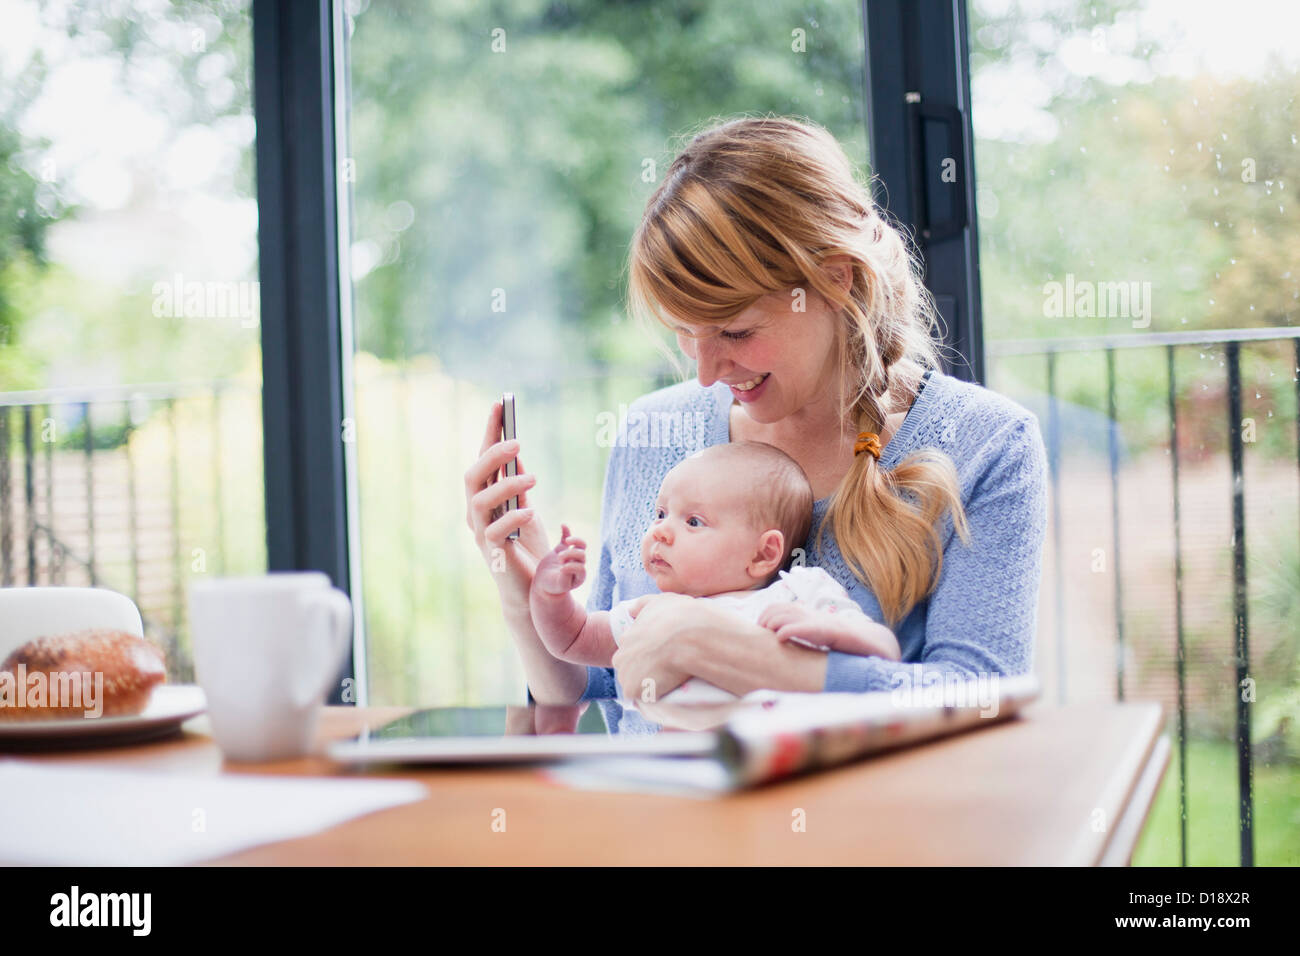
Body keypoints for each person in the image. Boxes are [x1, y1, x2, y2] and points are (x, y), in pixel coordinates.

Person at [463, 114, 1047, 727]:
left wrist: (725, 650)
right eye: (686, 335)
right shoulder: (652, 431)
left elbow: (979, 695)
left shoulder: (985, 444)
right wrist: (519, 590)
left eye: (735, 331)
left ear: (834, 280)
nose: (709, 374)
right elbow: (601, 686)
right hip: (657, 816)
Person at [528, 441, 899, 706]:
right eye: (660, 514)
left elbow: (885, 652)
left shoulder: (799, 593)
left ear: (763, 553)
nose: (659, 531)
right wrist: (550, 595)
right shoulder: (657, 614)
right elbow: (572, 641)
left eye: (693, 521)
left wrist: (829, 630)